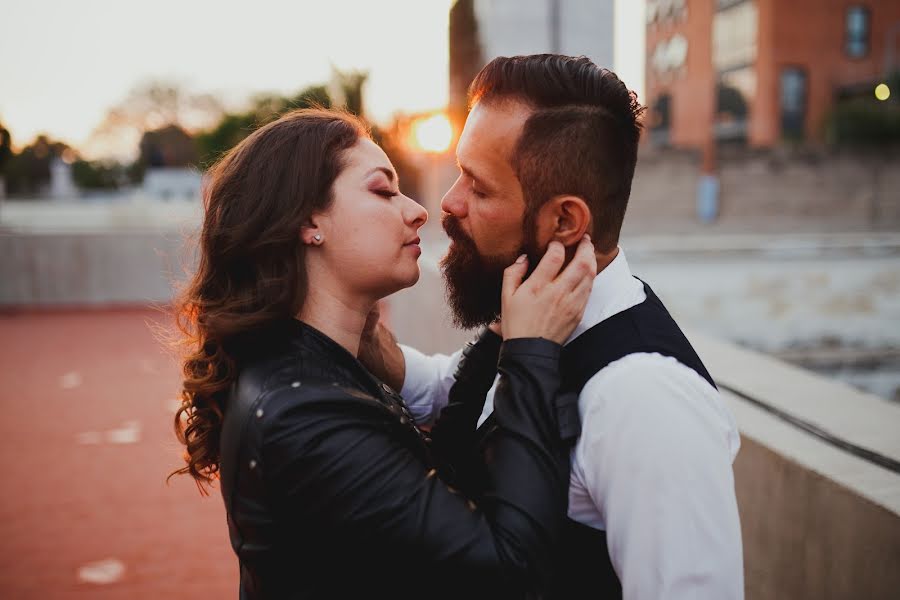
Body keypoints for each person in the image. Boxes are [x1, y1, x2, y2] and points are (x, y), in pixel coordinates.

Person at [168, 107, 599, 599]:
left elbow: (436, 474)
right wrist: (532, 354)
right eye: (383, 190)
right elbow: (512, 569)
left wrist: (500, 338)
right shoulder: (305, 414)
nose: (417, 209)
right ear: (308, 221)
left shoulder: (312, 363)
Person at [361, 55, 745, 599]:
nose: (449, 203)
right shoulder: (535, 314)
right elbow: (468, 399)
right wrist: (361, 337)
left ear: (565, 221)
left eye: (479, 187)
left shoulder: (644, 400)